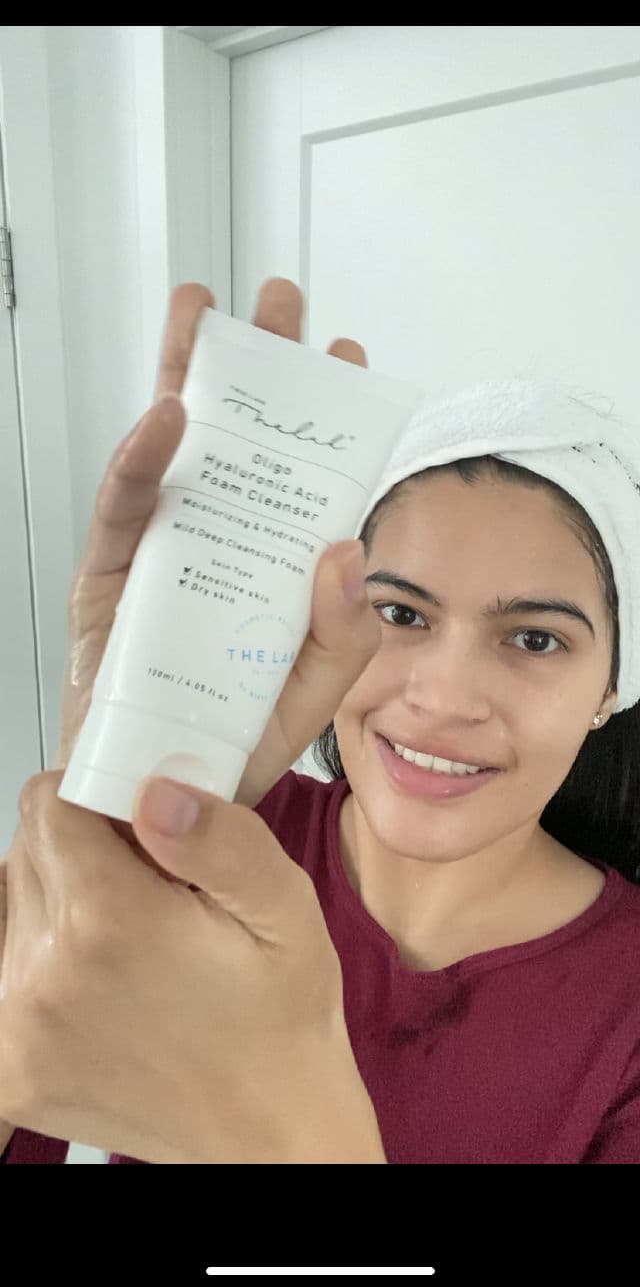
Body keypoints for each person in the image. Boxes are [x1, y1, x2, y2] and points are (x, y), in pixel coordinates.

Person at [2, 279, 640, 1164]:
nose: (443, 698)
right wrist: (100, 821)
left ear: (613, 685)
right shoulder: (204, 831)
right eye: (401, 613)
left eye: (535, 638)